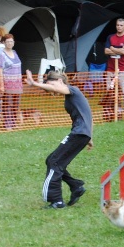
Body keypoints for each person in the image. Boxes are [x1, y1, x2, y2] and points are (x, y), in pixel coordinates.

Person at [24, 70, 93, 209]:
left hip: (79, 134)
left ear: (60, 81)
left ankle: (56, 201)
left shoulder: (72, 90)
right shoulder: (71, 97)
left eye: (52, 85)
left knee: (54, 161)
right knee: (53, 160)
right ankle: (76, 186)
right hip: (81, 134)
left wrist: (34, 83)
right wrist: (89, 137)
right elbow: (86, 113)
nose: (53, 90)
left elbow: (56, 88)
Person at [104, 18, 124, 116]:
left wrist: (112, 48)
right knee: (111, 90)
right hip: (111, 69)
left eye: (121, 25)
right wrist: (119, 49)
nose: (119, 27)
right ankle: (116, 110)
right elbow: (106, 51)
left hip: (123, 69)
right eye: (117, 25)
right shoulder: (110, 37)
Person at [0, 34, 23, 131]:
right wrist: (2, 85)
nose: (10, 43)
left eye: (11, 41)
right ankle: (7, 124)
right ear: (4, 43)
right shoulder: (1, 55)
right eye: (7, 41)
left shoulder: (15, 52)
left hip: (18, 84)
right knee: (7, 104)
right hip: (7, 83)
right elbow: (0, 70)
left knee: (16, 104)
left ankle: (13, 122)